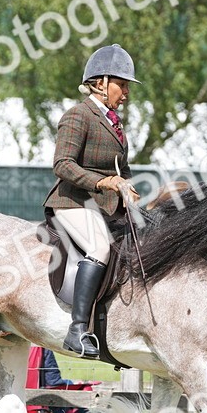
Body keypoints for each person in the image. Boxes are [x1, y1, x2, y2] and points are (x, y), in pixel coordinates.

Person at [44, 44, 142, 358]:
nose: (126, 92)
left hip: (105, 206)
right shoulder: (77, 116)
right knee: (99, 247)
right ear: (100, 83)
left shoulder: (116, 124)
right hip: (72, 202)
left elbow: (121, 169)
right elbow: (62, 164)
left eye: (127, 86)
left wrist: (128, 189)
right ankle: (77, 331)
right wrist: (103, 182)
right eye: (122, 84)